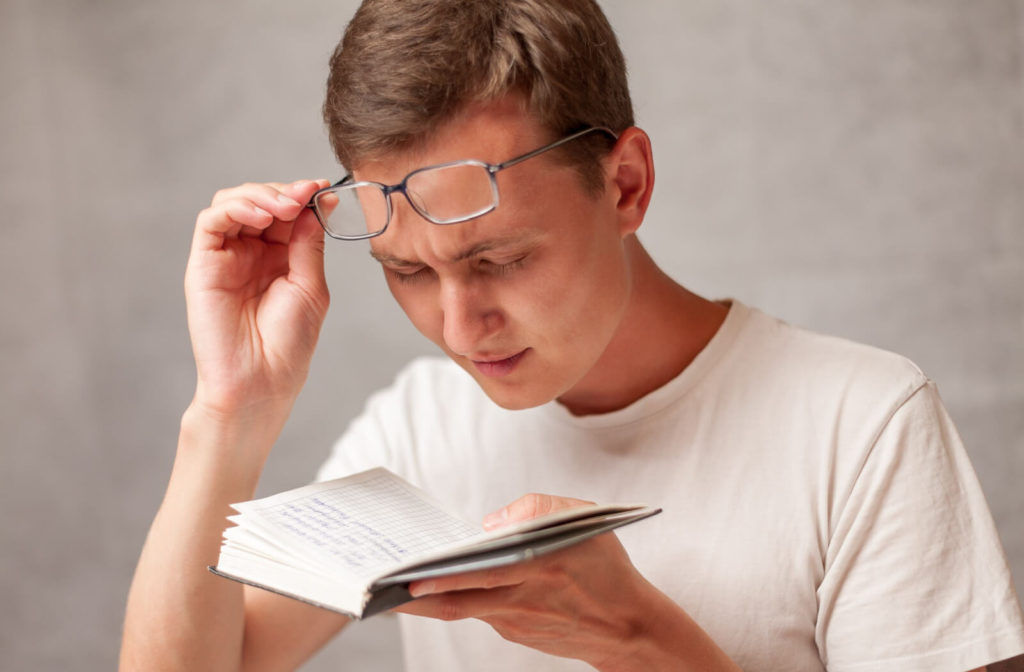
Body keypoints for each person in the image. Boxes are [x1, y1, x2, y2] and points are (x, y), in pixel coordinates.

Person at [120, 0, 1024, 670]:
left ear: (626, 185)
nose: (459, 326)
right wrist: (228, 412)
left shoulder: (862, 429)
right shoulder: (417, 431)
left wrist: (641, 636)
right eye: (406, 272)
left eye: (500, 259)